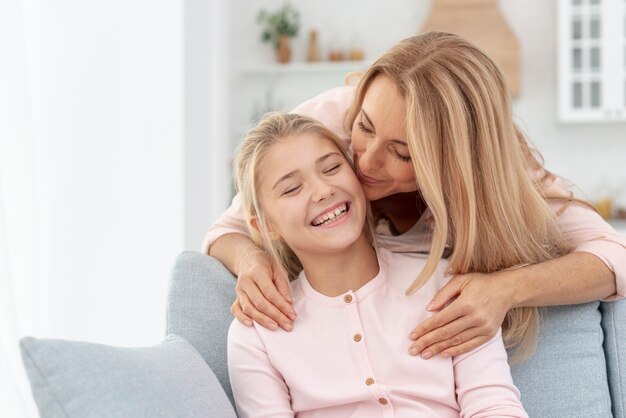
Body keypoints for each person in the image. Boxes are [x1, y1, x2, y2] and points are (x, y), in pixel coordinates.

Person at [207, 32, 626, 360]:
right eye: (366, 127)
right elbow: (228, 228)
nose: (366, 162)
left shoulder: (502, 170)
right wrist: (251, 259)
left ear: (456, 166)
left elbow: (616, 256)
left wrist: (505, 289)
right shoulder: (326, 128)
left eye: (403, 153)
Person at [227, 111, 529, 417]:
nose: (323, 190)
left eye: (332, 168)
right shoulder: (257, 333)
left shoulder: (447, 286)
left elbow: (494, 407)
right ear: (266, 226)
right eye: (292, 188)